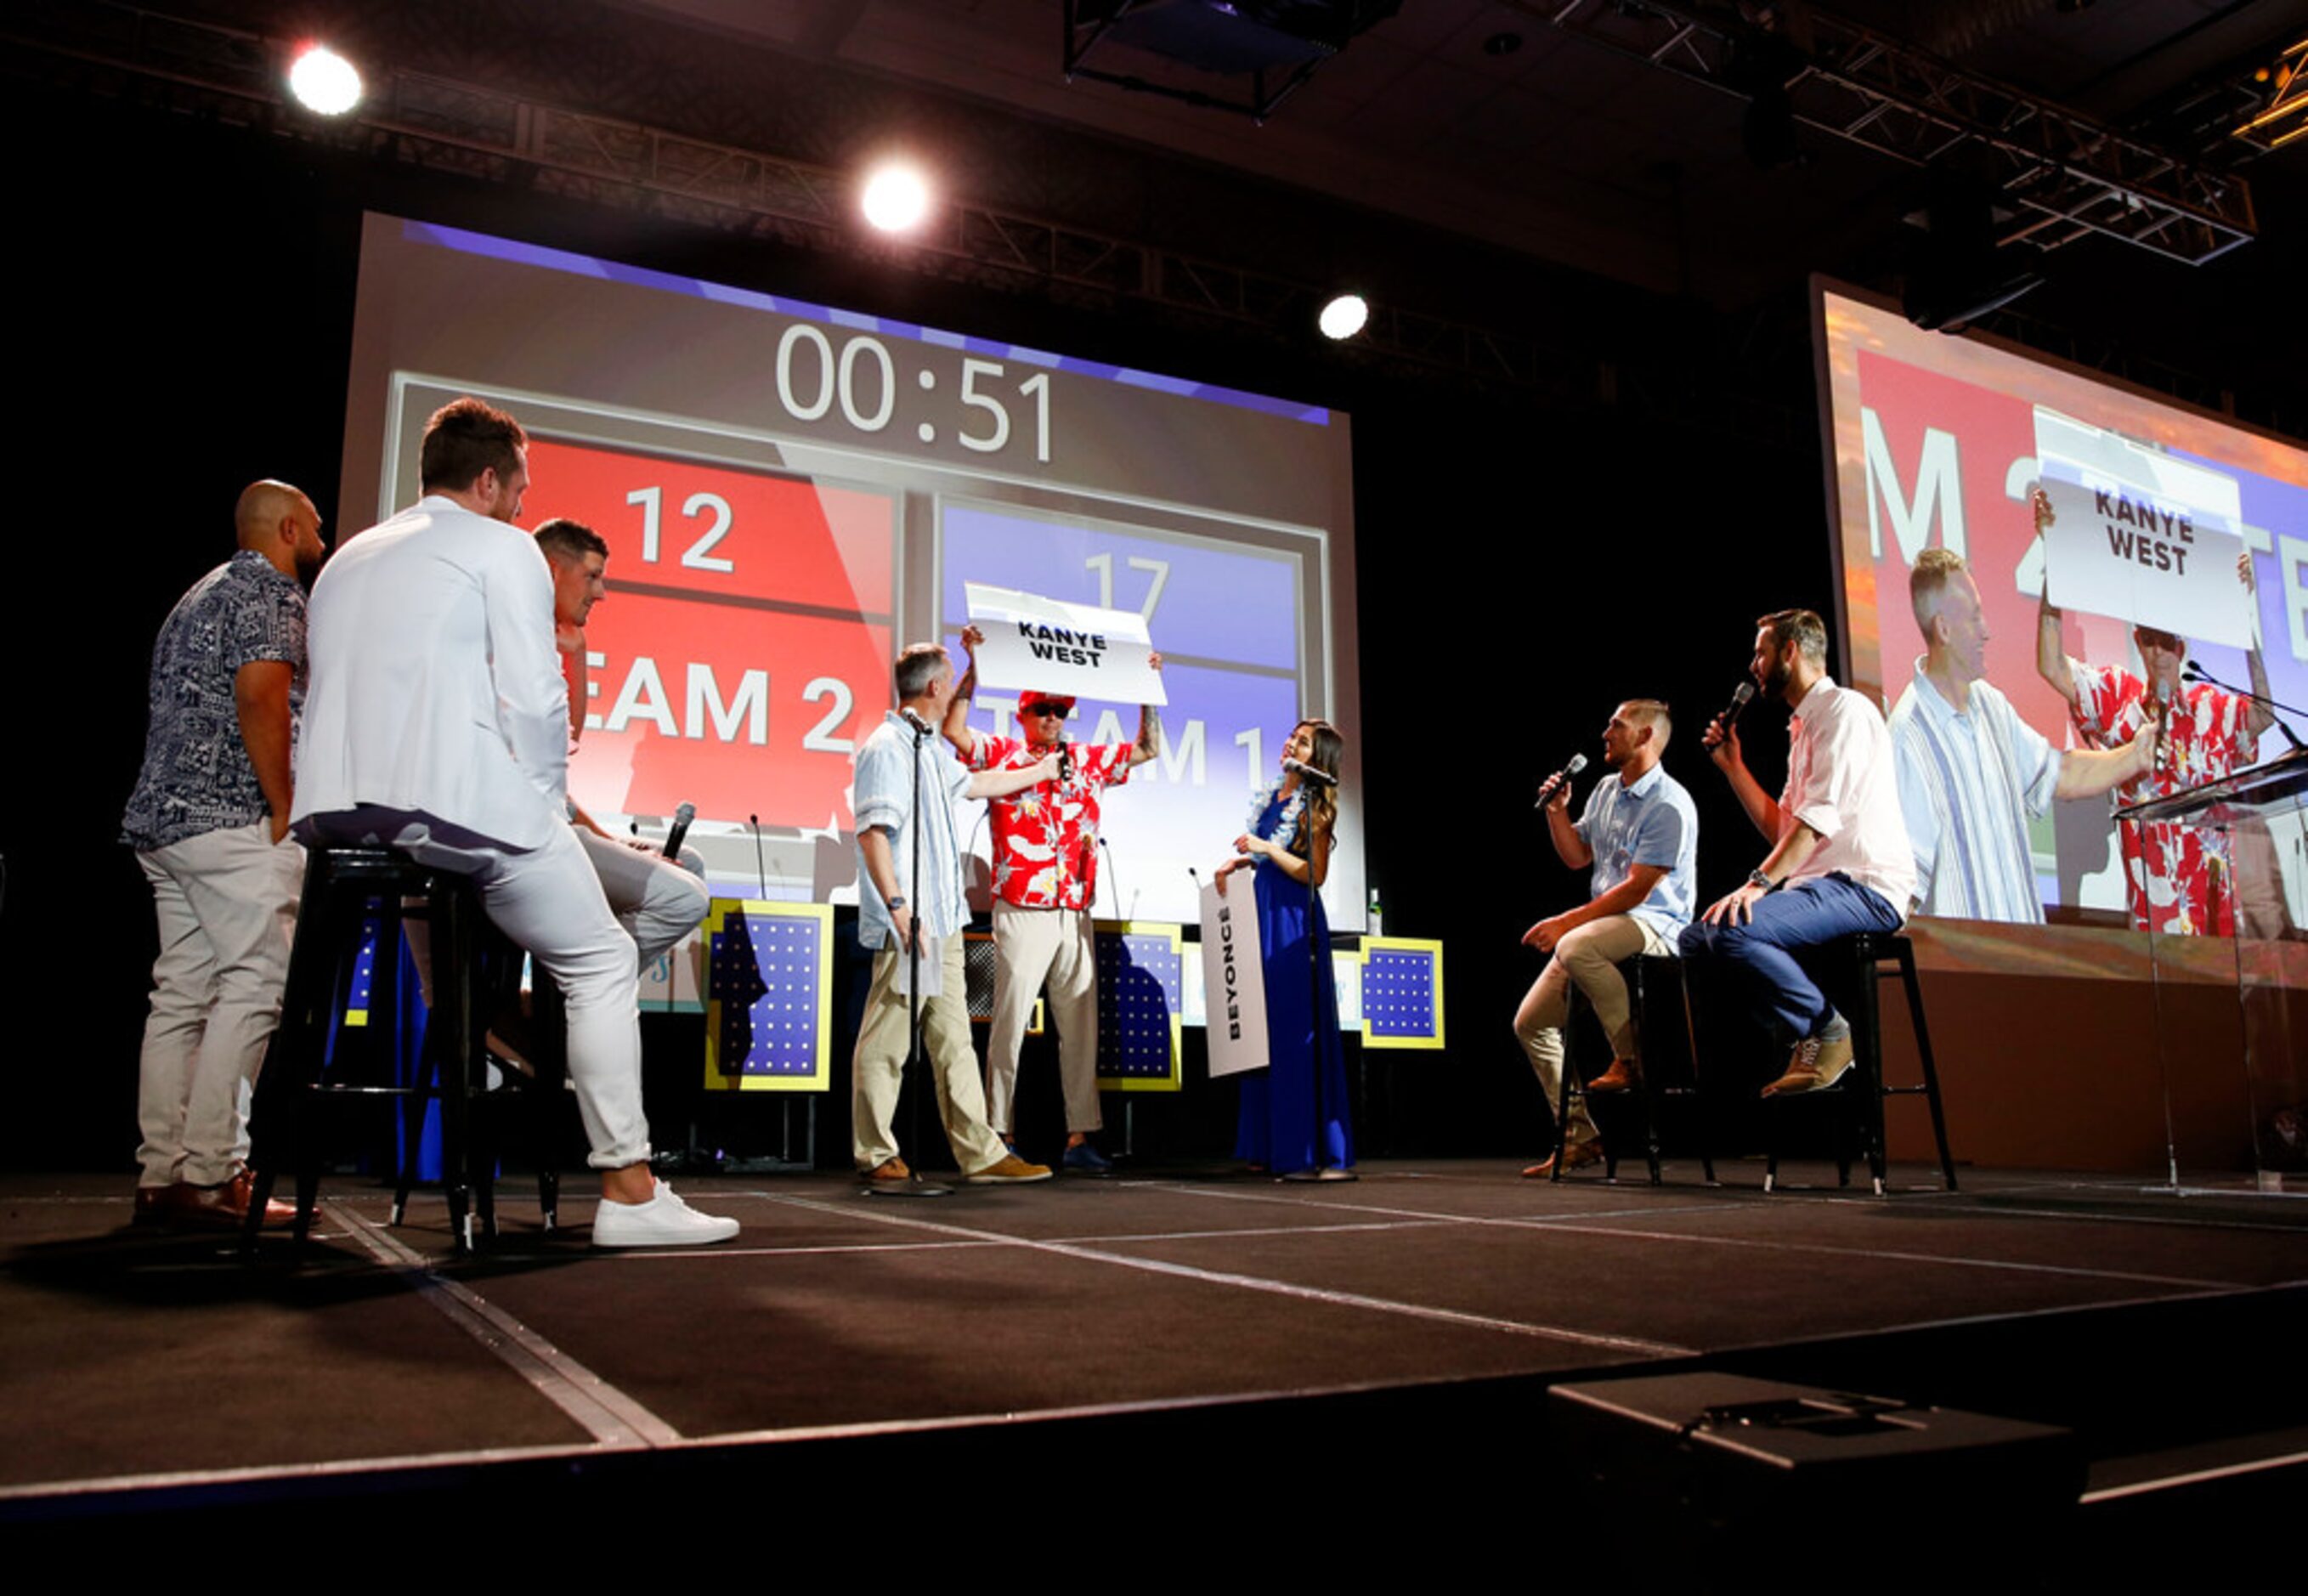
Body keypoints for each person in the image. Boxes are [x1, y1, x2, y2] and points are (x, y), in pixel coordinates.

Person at [293, 396, 737, 1248]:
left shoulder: (348, 556)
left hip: (342, 822)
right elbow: (533, 702)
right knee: (601, 956)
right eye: (521, 491)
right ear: (489, 480)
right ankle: (630, 1192)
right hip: (453, 808)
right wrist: (539, 810)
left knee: (582, 942)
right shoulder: (501, 548)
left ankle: (306, 1146)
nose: (523, 508)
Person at [122, 481, 327, 1228]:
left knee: (180, 996)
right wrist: (282, 804)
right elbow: (261, 695)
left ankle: (162, 1176)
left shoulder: (194, 597)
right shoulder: (273, 593)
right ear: (287, 527)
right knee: (256, 983)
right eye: (314, 529)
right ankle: (212, 1174)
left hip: (164, 823)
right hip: (231, 819)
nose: (321, 541)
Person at [941, 625, 1163, 1173]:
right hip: (1023, 905)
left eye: (1061, 710)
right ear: (1022, 712)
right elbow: (953, 728)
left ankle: (1078, 1137)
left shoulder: (1085, 760)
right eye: (1043, 709)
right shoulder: (1005, 752)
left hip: (1074, 909)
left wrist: (1148, 689)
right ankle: (997, 1134)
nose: (1053, 718)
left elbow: (1148, 748)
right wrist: (973, 664)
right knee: (1010, 1024)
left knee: (1079, 1029)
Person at [851, 643, 1066, 1188]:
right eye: (951, 682)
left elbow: (980, 784)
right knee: (889, 1039)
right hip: (912, 921)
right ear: (933, 689)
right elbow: (874, 832)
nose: (954, 691)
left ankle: (981, 1152)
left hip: (943, 921)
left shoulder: (927, 750)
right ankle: (875, 1151)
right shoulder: (887, 748)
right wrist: (900, 908)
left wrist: (1043, 769)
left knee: (953, 1042)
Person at [1681, 609, 1915, 1096]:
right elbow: (1785, 829)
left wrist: (1758, 884)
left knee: (1730, 930)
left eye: (1761, 652)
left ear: (1790, 652)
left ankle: (1827, 1030)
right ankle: (1798, 1036)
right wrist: (1734, 768)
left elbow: (1814, 823)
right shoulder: (1804, 726)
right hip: (1820, 886)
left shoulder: (1844, 712)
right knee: (1695, 940)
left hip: (1865, 886)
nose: (1754, 665)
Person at [2034, 491, 2277, 936]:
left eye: (2167, 641)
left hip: (2219, 929)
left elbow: (2264, 713)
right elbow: (2052, 666)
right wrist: (2054, 561)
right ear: (2138, 644)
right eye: (2149, 639)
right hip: (2155, 935)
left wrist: (2247, 617)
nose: (2158, 650)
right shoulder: (2119, 701)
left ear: (2182, 648)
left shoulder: (2213, 708)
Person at [1892, 540, 2152, 922]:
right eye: (1975, 618)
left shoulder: (1991, 705)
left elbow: (2063, 774)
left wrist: (2135, 754)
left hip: (2021, 959)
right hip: (1964, 972)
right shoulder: (1907, 736)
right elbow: (1904, 889)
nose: (1987, 631)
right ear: (1944, 629)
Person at [1513, 701, 1698, 1178]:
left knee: (1575, 944)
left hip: (1656, 924)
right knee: (1531, 1023)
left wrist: (1565, 922)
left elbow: (1639, 889)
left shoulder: (1669, 803)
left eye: (1617, 725)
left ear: (1645, 737)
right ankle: (1578, 1136)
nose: (1605, 733)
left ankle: (1630, 1057)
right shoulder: (1605, 790)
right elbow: (1577, 857)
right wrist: (1557, 812)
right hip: (1605, 928)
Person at [535, 518, 709, 973]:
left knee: (685, 862)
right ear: (554, 571)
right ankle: (585, 987)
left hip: (550, 820)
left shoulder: (556, 640)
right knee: (685, 896)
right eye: (592, 576)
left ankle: (584, 995)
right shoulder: (517, 636)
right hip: (525, 837)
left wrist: (577, 653)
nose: (601, 592)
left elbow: (559, 759)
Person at [1218, 719, 1353, 1180]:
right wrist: (1241, 860)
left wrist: (1265, 851)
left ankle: (1301, 1147)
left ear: (1318, 759)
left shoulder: (1315, 803)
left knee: (1291, 1030)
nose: (1290, 745)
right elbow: (1266, 853)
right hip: (1260, 910)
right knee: (1261, 1032)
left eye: (1302, 742)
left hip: (1292, 919)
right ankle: (1265, 1144)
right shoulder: (1275, 794)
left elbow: (1314, 871)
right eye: (1292, 737)